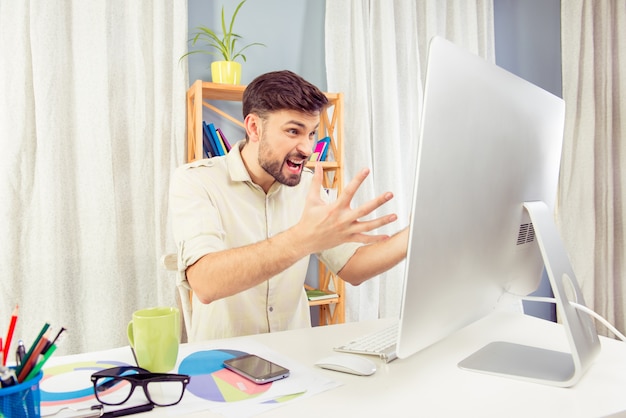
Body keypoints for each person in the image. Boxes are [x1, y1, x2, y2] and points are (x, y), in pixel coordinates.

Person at [170, 70, 408, 342]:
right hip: (222, 363)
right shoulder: (196, 180)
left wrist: (419, 232)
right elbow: (206, 282)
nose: (307, 148)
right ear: (254, 128)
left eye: (311, 134)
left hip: (295, 356)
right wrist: (303, 239)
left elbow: (352, 267)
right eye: (293, 131)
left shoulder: (309, 187)